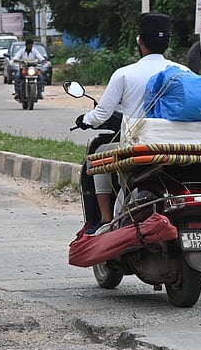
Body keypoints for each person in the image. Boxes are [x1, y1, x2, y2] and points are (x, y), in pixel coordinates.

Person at [75, 13, 190, 231]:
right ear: (168, 41)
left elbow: (101, 115)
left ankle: (105, 220)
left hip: (139, 148)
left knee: (98, 156)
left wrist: (84, 120)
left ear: (140, 40)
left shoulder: (125, 74)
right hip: (177, 146)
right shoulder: (183, 72)